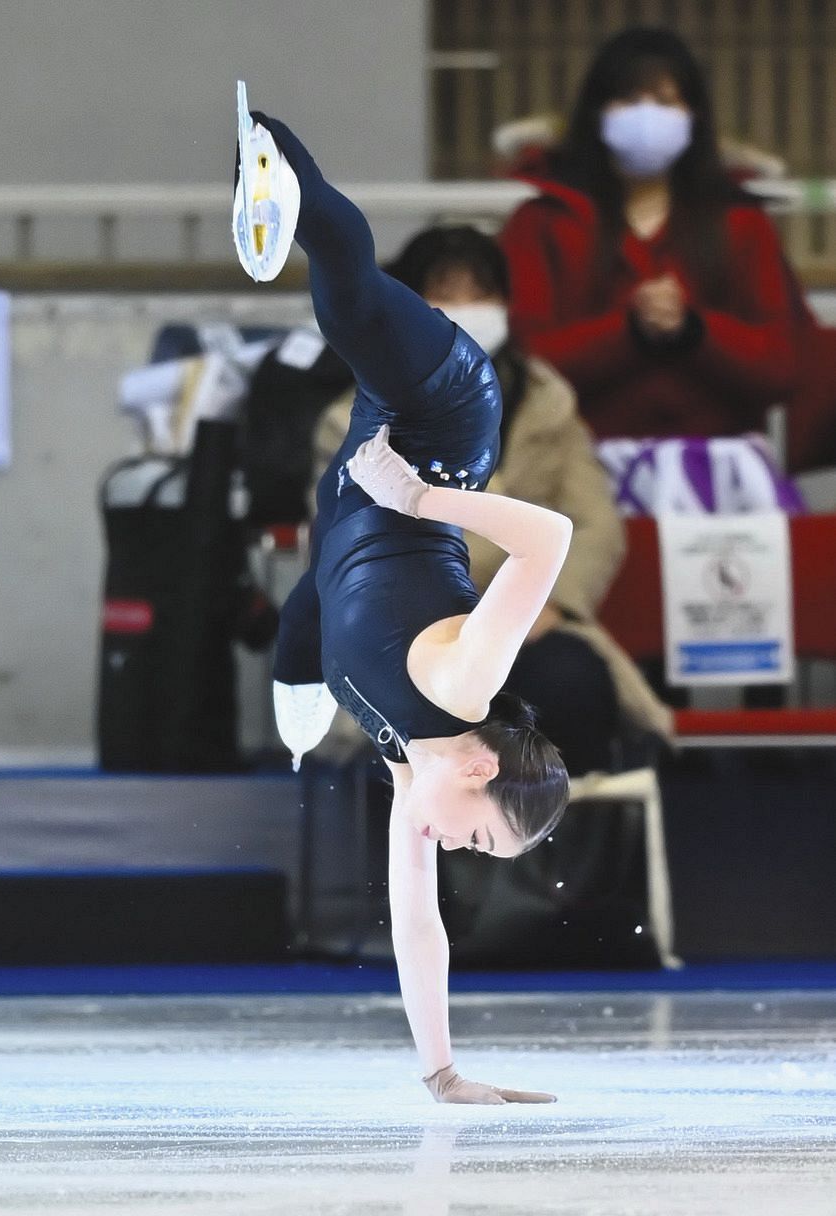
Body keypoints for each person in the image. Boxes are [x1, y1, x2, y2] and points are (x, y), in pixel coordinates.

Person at [233, 93, 571, 1103]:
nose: (455, 848)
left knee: (314, 624)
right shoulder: (465, 681)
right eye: (475, 831)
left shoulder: (405, 760)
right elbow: (548, 540)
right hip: (442, 417)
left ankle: (273, 153)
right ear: (478, 764)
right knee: (347, 305)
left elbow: (414, 920)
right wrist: (424, 496)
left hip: (353, 493)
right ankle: (282, 165)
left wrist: (442, 1072)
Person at [311, 225, 674, 772]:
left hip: (535, 618)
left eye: (480, 294)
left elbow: (597, 524)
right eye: (444, 293)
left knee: (571, 683)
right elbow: (349, 554)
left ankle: (561, 851)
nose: (464, 309)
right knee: (433, 713)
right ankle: (454, 850)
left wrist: (542, 602)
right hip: (413, 634)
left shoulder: (550, 404)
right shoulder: (354, 421)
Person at [499, 26, 799, 445]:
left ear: (693, 115)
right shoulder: (543, 223)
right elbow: (524, 361)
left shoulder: (740, 222)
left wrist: (695, 330)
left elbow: (780, 366)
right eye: (628, 100)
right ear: (597, 113)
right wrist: (628, 331)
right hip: (577, 464)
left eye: (664, 101)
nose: (646, 115)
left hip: (720, 466)